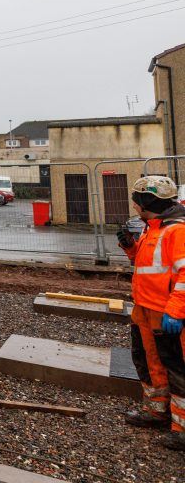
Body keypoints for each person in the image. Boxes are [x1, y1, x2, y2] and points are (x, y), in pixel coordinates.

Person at [116, 175, 185, 451]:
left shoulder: (175, 231)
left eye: (136, 198)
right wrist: (130, 246)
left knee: (177, 368)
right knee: (149, 362)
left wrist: (176, 311)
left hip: (166, 313)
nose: (133, 204)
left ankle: (181, 429)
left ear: (147, 201)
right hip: (145, 310)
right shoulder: (152, 227)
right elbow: (145, 263)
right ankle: (158, 410)